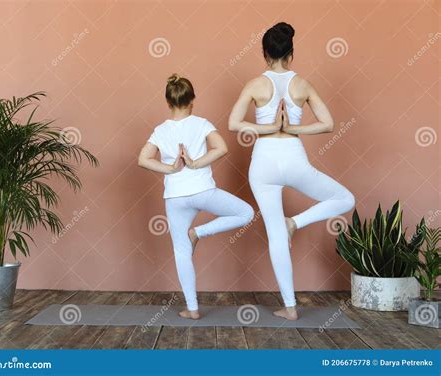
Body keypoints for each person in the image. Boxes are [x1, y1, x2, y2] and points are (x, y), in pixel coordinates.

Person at [228, 22, 355, 320]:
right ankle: (294, 223)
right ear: (291, 53)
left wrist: (268, 127)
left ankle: (290, 307)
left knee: (274, 233)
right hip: (294, 158)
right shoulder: (302, 84)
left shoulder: (255, 84)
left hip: (263, 162)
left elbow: (234, 123)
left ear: (264, 53)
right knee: (344, 199)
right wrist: (291, 127)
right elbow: (328, 124)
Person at [139, 73, 254, 319]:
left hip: (175, 198)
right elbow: (221, 148)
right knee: (246, 213)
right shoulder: (202, 123)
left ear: (168, 103)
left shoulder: (160, 130)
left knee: (181, 251)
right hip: (203, 191)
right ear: (192, 100)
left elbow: (143, 159)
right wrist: (194, 163)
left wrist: (171, 168)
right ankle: (198, 233)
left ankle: (192, 309)